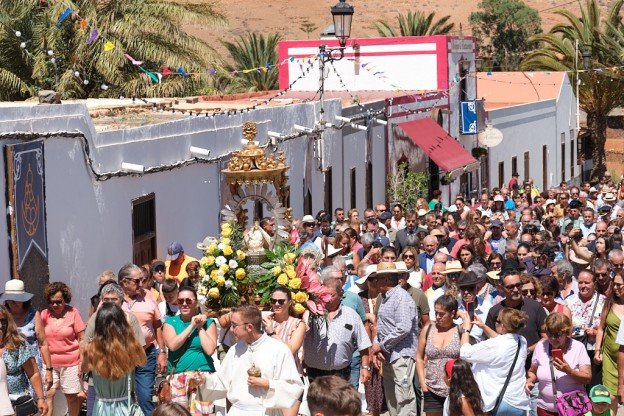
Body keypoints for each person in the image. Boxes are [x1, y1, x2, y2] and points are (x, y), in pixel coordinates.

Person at [198, 305, 304, 416]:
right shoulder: (235, 349)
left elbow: (294, 387)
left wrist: (268, 384)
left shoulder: (279, 350)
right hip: (237, 412)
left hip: (265, 412)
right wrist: (202, 380)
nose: (231, 330)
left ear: (249, 327)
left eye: (234, 326)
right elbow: (221, 381)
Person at [459, 307, 530, 415]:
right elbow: (502, 340)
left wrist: (466, 329)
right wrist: (483, 326)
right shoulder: (522, 341)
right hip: (518, 402)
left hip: (498, 403)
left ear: (503, 326)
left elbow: (464, 353)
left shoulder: (494, 345)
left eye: (497, 321)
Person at [119, 263, 167, 416]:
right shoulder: (113, 300)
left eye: (142, 280)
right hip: (120, 357)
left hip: (146, 355)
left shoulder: (148, 298)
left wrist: (162, 352)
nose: (141, 284)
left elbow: (158, 326)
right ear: (124, 282)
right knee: (122, 397)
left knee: (145, 397)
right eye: (137, 281)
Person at [371, 262, 419, 416]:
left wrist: (382, 345)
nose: (375, 282)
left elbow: (403, 327)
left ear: (385, 279)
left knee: (403, 395)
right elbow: (382, 325)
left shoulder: (401, 297)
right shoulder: (385, 298)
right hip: (389, 355)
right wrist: (378, 345)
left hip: (401, 355)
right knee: (392, 395)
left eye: (377, 279)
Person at [82, 303, 147, 415]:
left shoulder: (91, 348)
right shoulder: (131, 345)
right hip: (125, 405)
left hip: (102, 406)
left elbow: (84, 369)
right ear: (122, 323)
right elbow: (141, 361)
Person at [303, 278, 371, 382]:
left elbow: (363, 344)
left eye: (332, 295)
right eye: (323, 295)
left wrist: (365, 367)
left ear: (341, 294)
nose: (328, 299)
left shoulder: (351, 315)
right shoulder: (310, 314)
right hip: (315, 374)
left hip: (342, 373)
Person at [163, 285, 217, 413]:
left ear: (196, 302)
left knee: (202, 414)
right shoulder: (170, 322)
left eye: (189, 300)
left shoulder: (209, 323)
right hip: (178, 376)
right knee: (177, 414)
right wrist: (192, 325)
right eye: (180, 301)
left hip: (202, 375)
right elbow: (173, 345)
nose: (184, 304)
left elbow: (210, 350)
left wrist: (200, 327)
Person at [526, 313, 591, 416]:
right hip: (545, 409)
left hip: (572, 409)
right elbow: (532, 371)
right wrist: (530, 380)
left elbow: (587, 378)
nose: (552, 338)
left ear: (566, 332)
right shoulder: (540, 346)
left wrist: (569, 371)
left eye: (557, 334)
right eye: (549, 333)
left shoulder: (578, 347)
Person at [41, 282, 85, 416]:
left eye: (59, 302)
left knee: (72, 396)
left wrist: (82, 362)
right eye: (52, 302)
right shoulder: (44, 314)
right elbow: (41, 339)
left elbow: (81, 339)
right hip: (49, 362)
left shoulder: (73, 313)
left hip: (71, 362)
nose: (55, 305)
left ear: (65, 299)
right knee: (48, 393)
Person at [0, 279, 53, 393]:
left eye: (18, 300)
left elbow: (43, 343)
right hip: (10, 367)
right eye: (11, 300)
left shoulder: (33, 314)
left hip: (32, 365)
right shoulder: (2, 315)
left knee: (34, 402)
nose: (15, 303)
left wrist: (49, 369)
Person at [261, 287, 305, 416]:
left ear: (290, 302)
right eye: (274, 301)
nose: (276, 304)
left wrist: (271, 332)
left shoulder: (298, 324)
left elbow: (290, 350)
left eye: (281, 301)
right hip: (267, 377)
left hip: (290, 379)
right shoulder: (263, 322)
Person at [416, 295, 461, 416]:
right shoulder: (428, 329)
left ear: (452, 313)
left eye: (442, 314)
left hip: (455, 389)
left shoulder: (460, 331)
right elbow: (419, 357)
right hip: (431, 388)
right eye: (436, 313)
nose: (437, 317)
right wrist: (422, 382)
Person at [0, 304, 48, 416]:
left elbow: (33, 373)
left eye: (3, 320)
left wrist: (40, 398)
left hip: (17, 403)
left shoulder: (17, 344)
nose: (1, 325)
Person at [565, 270, 605, 387]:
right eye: (580, 283)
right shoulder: (569, 301)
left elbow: (608, 329)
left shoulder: (604, 301)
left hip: (594, 352)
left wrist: (596, 332)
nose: (583, 286)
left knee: (594, 387)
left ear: (594, 283)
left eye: (587, 283)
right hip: (574, 350)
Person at [595, 272, 624, 407]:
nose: (616, 288)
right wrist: (597, 351)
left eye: (620, 285)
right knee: (610, 398)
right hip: (610, 358)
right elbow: (601, 328)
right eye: (615, 284)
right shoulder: (609, 302)